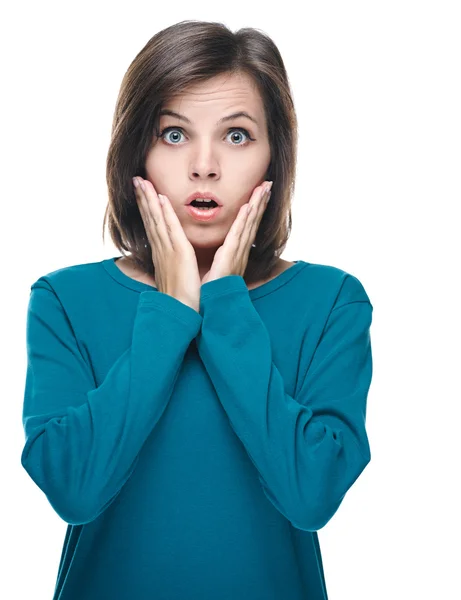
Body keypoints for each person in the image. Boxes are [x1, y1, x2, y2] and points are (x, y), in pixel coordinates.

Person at [21, 20, 374, 600]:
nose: (204, 167)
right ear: (137, 150)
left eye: (236, 136)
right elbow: (74, 489)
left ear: (274, 159)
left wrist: (225, 304)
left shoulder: (332, 301)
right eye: (174, 134)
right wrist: (170, 311)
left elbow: (312, 496)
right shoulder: (64, 300)